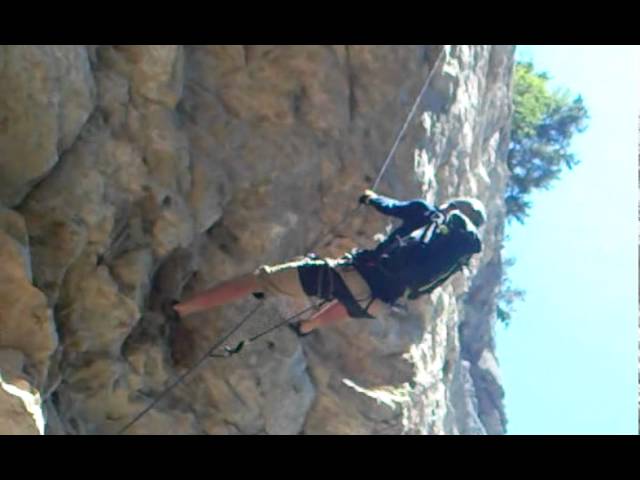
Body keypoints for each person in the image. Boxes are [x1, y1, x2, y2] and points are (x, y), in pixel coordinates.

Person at [167, 191, 486, 348]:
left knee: (259, 279)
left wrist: (369, 196)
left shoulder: (425, 213)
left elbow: (385, 205)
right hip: (376, 305)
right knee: (352, 299)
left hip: (353, 279)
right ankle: (308, 326)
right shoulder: (454, 253)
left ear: (453, 208)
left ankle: (182, 308)